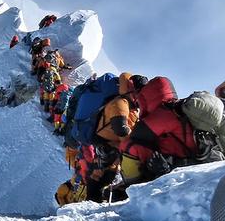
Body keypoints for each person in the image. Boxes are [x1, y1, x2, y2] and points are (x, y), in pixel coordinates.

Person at [119, 77, 197, 186]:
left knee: (129, 145)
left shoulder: (164, 113)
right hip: (181, 158)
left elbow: (138, 134)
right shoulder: (174, 108)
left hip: (179, 163)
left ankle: (130, 188)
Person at [84, 73, 148, 202]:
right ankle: (91, 202)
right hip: (107, 145)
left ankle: (96, 200)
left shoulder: (131, 108)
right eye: (140, 91)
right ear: (132, 89)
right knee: (100, 175)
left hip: (113, 146)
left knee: (107, 174)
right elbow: (120, 128)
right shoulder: (121, 102)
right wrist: (133, 146)